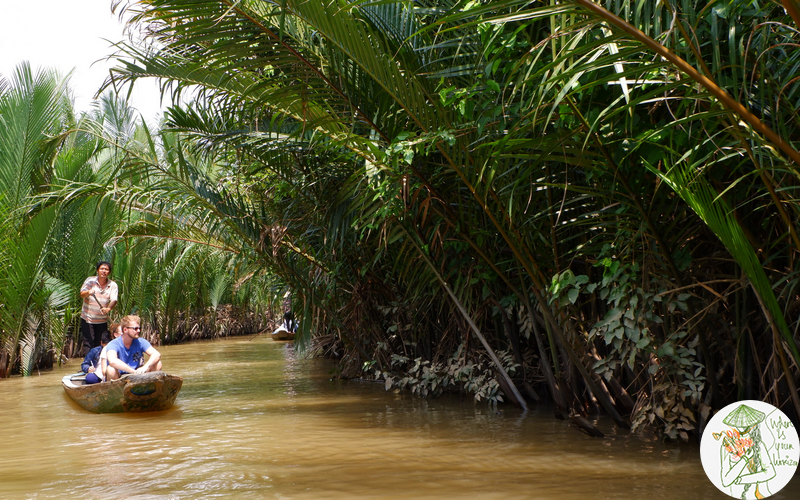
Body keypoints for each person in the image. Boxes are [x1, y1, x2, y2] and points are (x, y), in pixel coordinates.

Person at [718, 404, 776, 499]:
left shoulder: (758, 444)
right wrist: (745, 459)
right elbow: (725, 481)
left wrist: (741, 479)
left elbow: (770, 472)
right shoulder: (727, 446)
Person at [106, 315, 162, 380]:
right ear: (125, 330)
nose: (138, 331)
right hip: (120, 376)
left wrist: (145, 367)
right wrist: (133, 372)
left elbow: (156, 354)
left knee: (158, 364)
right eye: (135, 328)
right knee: (111, 369)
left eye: (139, 328)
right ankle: (116, 390)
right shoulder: (113, 344)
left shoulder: (141, 342)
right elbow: (112, 361)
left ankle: (153, 388)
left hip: (138, 374)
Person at [78, 261, 118, 354]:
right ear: (97, 271)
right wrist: (89, 292)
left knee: (100, 342)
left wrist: (108, 309)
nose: (104, 271)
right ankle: (89, 364)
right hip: (88, 319)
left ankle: (98, 363)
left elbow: (114, 300)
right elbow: (81, 294)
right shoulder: (90, 281)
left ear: (109, 272)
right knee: (88, 342)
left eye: (106, 269)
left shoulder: (112, 285)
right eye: (102, 269)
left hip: (102, 320)